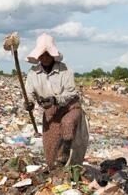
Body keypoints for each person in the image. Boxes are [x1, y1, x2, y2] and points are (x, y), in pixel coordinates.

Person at [24, 33, 89, 170]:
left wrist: (56, 99)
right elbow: (29, 93)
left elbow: (71, 92)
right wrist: (29, 103)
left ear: (53, 55)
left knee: (67, 124)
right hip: (50, 113)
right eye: (42, 55)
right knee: (51, 151)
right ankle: (55, 168)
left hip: (70, 108)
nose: (45, 58)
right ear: (38, 56)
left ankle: (65, 158)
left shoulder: (64, 70)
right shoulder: (33, 73)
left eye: (48, 54)